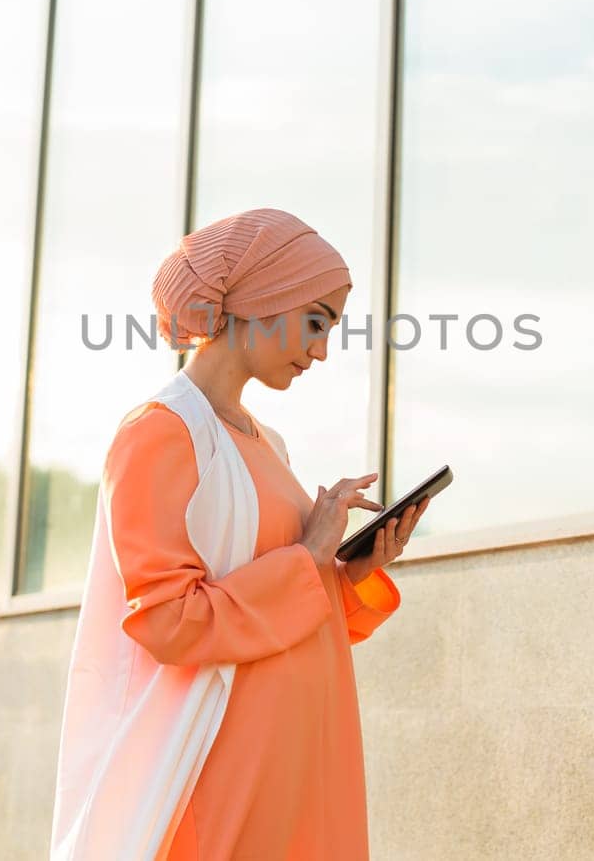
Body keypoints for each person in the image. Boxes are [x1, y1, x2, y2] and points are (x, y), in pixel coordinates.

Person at [50, 207, 430, 861]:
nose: (321, 350)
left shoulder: (268, 444)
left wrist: (347, 573)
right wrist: (309, 554)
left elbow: (287, 601)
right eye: (315, 322)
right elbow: (171, 620)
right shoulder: (158, 434)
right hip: (227, 775)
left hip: (304, 765)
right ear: (263, 299)